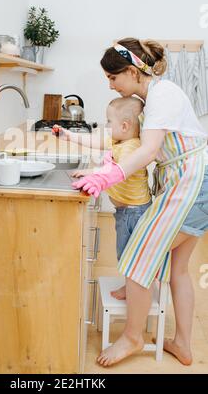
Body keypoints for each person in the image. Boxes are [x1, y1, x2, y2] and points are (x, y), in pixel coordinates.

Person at [73, 38, 208, 366]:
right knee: (177, 269)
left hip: (192, 185)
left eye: (112, 77)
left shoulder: (162, 96)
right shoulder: (153, 98)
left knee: (138, 256)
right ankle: (183, 345)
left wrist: (107, 177)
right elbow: (128, 143)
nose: (110, 84)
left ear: (132, 72)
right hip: (189, 182)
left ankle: (133, 337)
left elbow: (147, 152)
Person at [56, 97, 152, 300]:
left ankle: (133, 289)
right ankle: (133, 286)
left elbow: (115, 170)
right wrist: (68, 135)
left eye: (109, 121)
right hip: (127, 211)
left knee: (129, 254)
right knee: (126, 252)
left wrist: (93, 173)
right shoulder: (119, 141)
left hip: (134, 213)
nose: (106, 126)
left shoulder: (131, 147)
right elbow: (95, 142)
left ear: (124, 126)